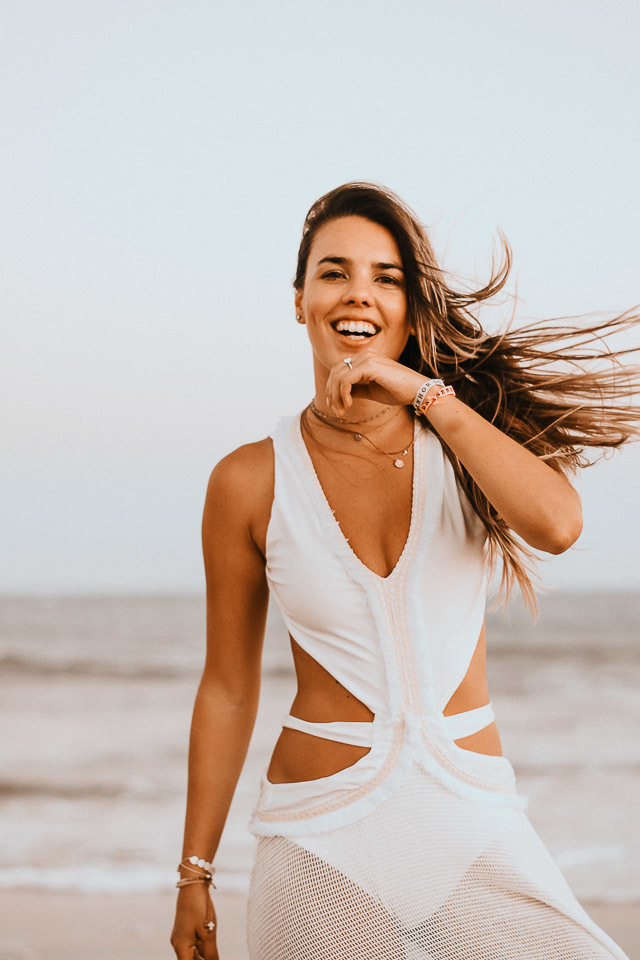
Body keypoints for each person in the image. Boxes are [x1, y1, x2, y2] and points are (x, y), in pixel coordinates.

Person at [171, 182, 638, 960]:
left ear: (414, 310)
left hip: (471, 825)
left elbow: (558, 525)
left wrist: (426, 396)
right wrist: (195, 872)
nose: (359, 294)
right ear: (299, 301)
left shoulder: (466, 444)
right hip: (320, 839)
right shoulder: (249, 481)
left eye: (387, 277)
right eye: (334, 272)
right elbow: (228, 684)